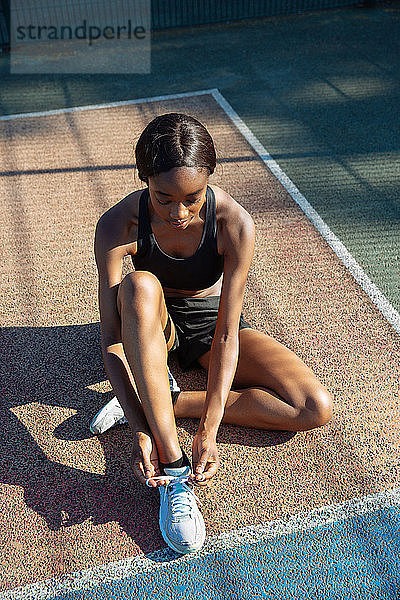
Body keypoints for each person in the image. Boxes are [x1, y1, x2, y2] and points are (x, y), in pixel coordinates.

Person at [90, 112, 333, 555]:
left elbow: (226, 333)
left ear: (210, 182)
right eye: (163, 198)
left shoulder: (234, 223)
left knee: (313, 407)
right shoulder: (116, 225)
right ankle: (172, 467)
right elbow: (110, 339)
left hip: (207, 322)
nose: (179, 213)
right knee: (140, 286)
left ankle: (162, 400)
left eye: (193, 198)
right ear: (144, 179)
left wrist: (210, 427)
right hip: (150, 320)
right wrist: (143, 434)